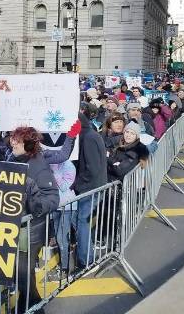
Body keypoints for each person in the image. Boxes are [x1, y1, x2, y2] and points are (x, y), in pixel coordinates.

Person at [6, 126, 60, 312]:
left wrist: (33, 200)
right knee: (22, 276)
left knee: (23, 276)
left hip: (30, 233)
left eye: (17, 140)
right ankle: (24, 308)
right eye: (12, 138)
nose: (12, 142)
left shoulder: (39, 167)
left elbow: (52, 199)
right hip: (17, 228)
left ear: (28, 145)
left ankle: (35, 309)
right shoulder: (14, 158)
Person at [73, 103, 108, 269]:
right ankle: (86, 253)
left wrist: (78, 184)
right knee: (80, 221)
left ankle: (86, 259)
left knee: (82, 222)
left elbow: (92, 168)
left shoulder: (88, 137)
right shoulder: (89, 134)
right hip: (92, 186)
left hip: (90, 187)